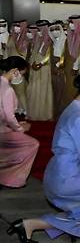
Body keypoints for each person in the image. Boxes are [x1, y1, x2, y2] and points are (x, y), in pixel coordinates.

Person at [6, 74, 80, 243]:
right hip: (68, 177)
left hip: (58, 171)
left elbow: (76, 150)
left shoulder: (72, 108)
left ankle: (30, 225)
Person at [0, 56, 38, 188]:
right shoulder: (8, 89)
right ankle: (12, 178)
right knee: (33, 144)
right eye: (21, 74)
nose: (21, 78)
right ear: (15, 71)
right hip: (2, 130)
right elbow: (9, 116)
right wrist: (20, 128)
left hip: (3, 127)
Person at [26, 20, 54, 121]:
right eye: (38, 29)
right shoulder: (38, 40)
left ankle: (45, 114)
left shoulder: (50, 41)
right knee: (34, 90)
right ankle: (33, 113)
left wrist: (40, 64)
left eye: (41, 28)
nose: (39, 31)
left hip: (45, 69)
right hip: (35, 69)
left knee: (43, 91)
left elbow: (49, 56)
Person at [49, 21, 69, 118]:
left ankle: (62, 114)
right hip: (53, 70)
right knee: (55, 93)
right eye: (52, 30)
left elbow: (65, 56)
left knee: (62, 93)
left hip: (61, 70)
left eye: (57, 29)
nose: (54, 32)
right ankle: (56, 113)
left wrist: (59, 66)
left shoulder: (66, 41)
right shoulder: (53, 42)